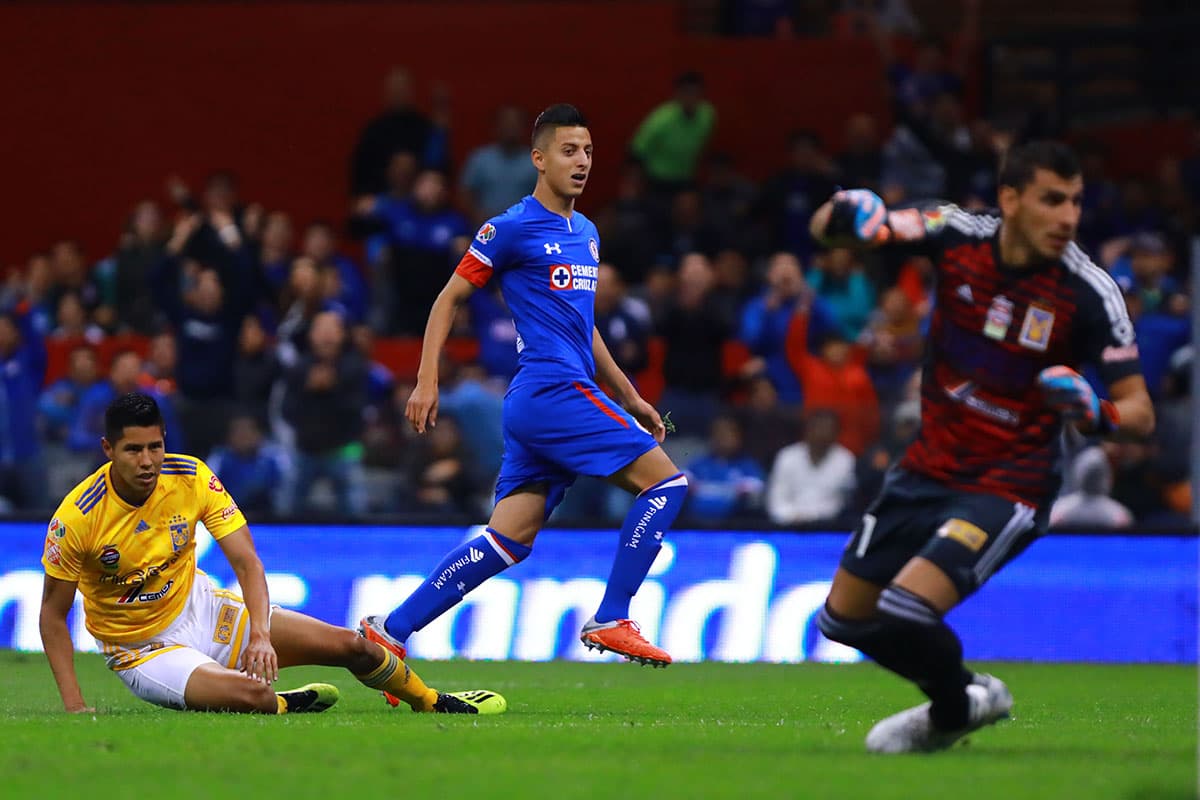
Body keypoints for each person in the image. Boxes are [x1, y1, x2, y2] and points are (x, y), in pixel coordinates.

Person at [807, 141, 1154, 753]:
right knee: (842, 620)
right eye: (1052, 200)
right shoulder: (954, 233)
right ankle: (963, 701)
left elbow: (1140, 413)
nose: (1068, 217)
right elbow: (844, 230)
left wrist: (1094, 411)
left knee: (907, 608)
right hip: (926, 468)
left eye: (1075, 202)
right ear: (1010, 199)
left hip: (1009, 482)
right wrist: (848, 210)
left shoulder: (1088, 292)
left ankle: (955, 706)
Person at [361, 104, 687, 680]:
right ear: (538, 159)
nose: (582, 162)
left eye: (588, 152)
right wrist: (426, 380)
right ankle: (612, 615)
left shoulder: (587, 234)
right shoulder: (509, 228)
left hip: (550, 398)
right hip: (552, 390)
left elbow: (583, 326)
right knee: (666, 484)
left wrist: (629, 394)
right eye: (569, 151)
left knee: (509, 538)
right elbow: (448, 299)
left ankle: (390, 630)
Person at [39, 392, 506, 716]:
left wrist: (260, 635)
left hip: (204, 609)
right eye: (133, 450)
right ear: (108, 449)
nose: (147, 461)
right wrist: (75, 704)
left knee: (354, 646)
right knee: (255, 698)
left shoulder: (191, 477)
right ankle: (282, 702)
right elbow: (53, 615)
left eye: (154, 447)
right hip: (144, 649)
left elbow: (246, 561)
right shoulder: (77, 518)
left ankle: (431, 701)